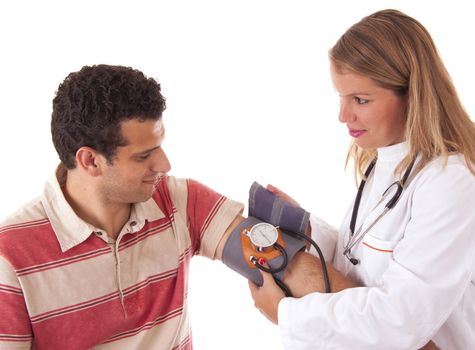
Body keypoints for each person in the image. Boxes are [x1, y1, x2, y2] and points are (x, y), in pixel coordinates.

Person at [0, 64, 354, 349]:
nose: (164, 164)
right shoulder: (10, 258)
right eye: (144, 156)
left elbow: (284, 264)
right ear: (90, 161)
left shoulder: (178, 202)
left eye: (159, 146)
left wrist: (390, 328)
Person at [248, 9, 475, 350]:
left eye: (360, 100)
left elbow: (400, 320)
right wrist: (307, 230)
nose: (343, 116)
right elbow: (363, 261)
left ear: (413, 96)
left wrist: (287, 314)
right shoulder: (387, 162)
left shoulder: (456, 184)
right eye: (341, 97)